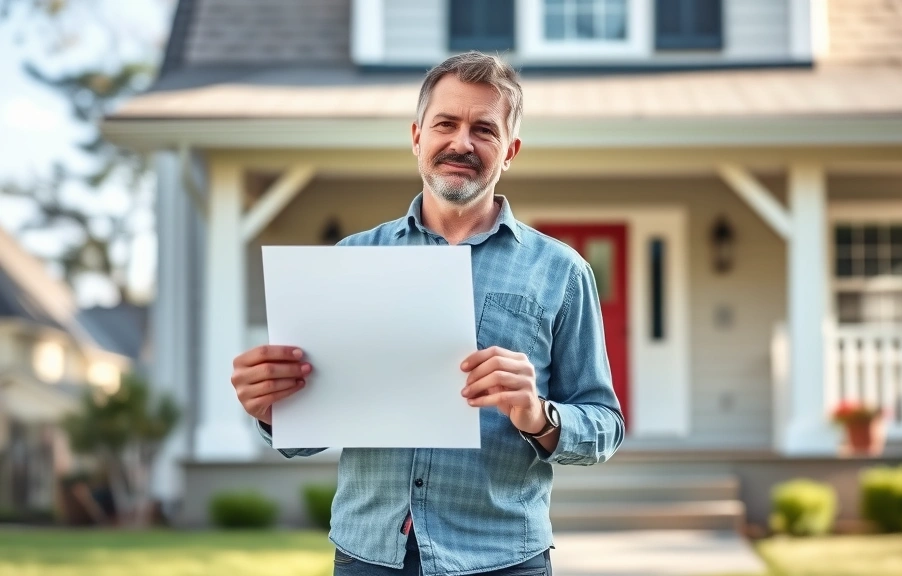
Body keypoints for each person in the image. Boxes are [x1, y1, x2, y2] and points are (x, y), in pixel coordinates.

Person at [229, 51, 624, 576]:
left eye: (484, 129)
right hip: (370, 555)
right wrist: (271, 410)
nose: (462, 143)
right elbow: (308, 433)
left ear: (510, 151)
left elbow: (604, 425)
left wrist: (538, 415)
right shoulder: (352, 260)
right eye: (445, 124)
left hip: (503, 558)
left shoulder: (562, 272)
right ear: (417, 137)